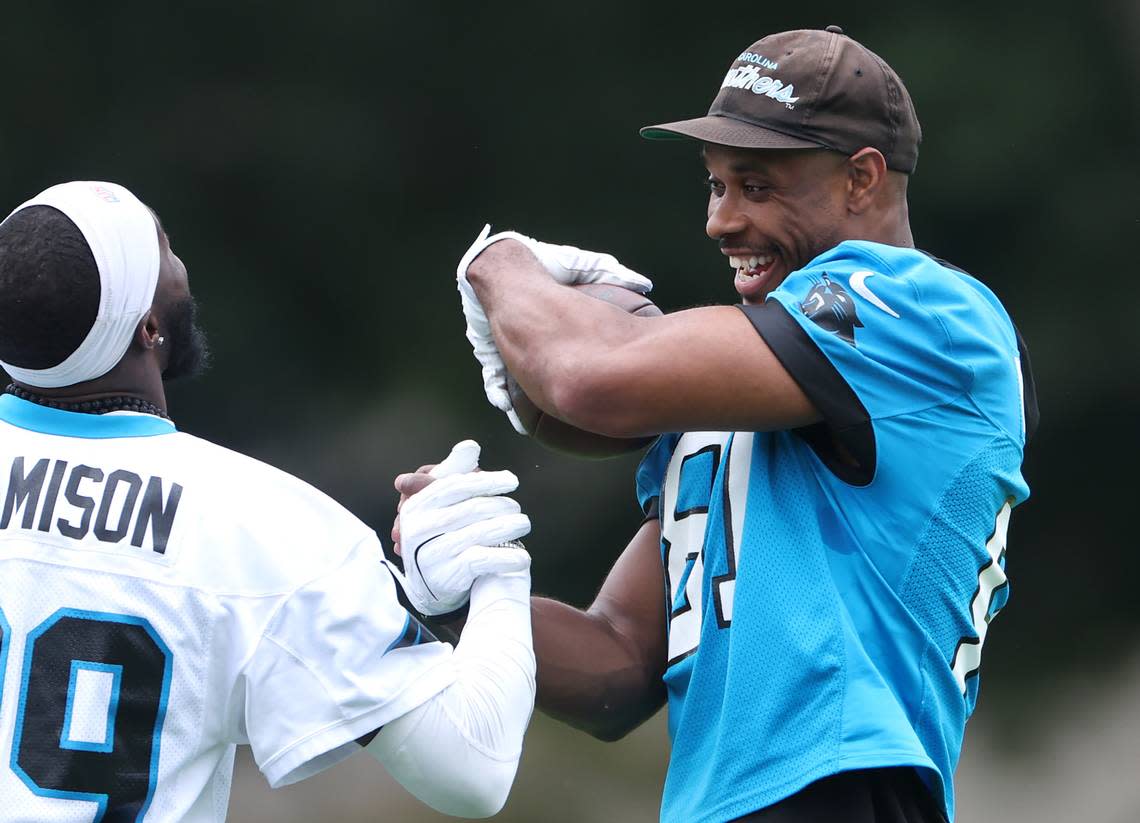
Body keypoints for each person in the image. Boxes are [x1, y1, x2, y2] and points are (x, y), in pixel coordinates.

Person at [424, 25, 1038, 823]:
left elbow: (585, 377)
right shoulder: (733, 390)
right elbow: (617, 662)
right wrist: (452, 602)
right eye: (715, 186)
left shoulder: (926, 310)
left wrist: (498, 261)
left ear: (862, 178)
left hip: (843, 789)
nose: (721, 221)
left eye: (757, 186)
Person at [0, 181, 536, 821]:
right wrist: (497, 572)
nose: (183, 266)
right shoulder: (262, 524)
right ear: (147, 327)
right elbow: (473, 769)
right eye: (165, 249)